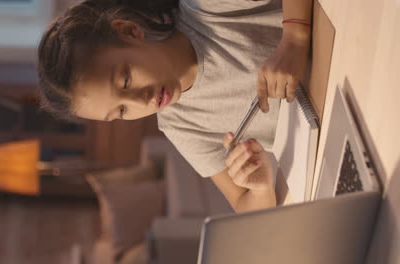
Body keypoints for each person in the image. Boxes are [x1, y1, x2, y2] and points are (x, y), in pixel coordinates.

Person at [37, 0, 313, 213]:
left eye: (126, 79)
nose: (139, 100)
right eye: (121, 112)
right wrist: (260, 188)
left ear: (129, 31)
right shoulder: (180, 126)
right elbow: (242, 202)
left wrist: (295, 38)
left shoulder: (206, 9)